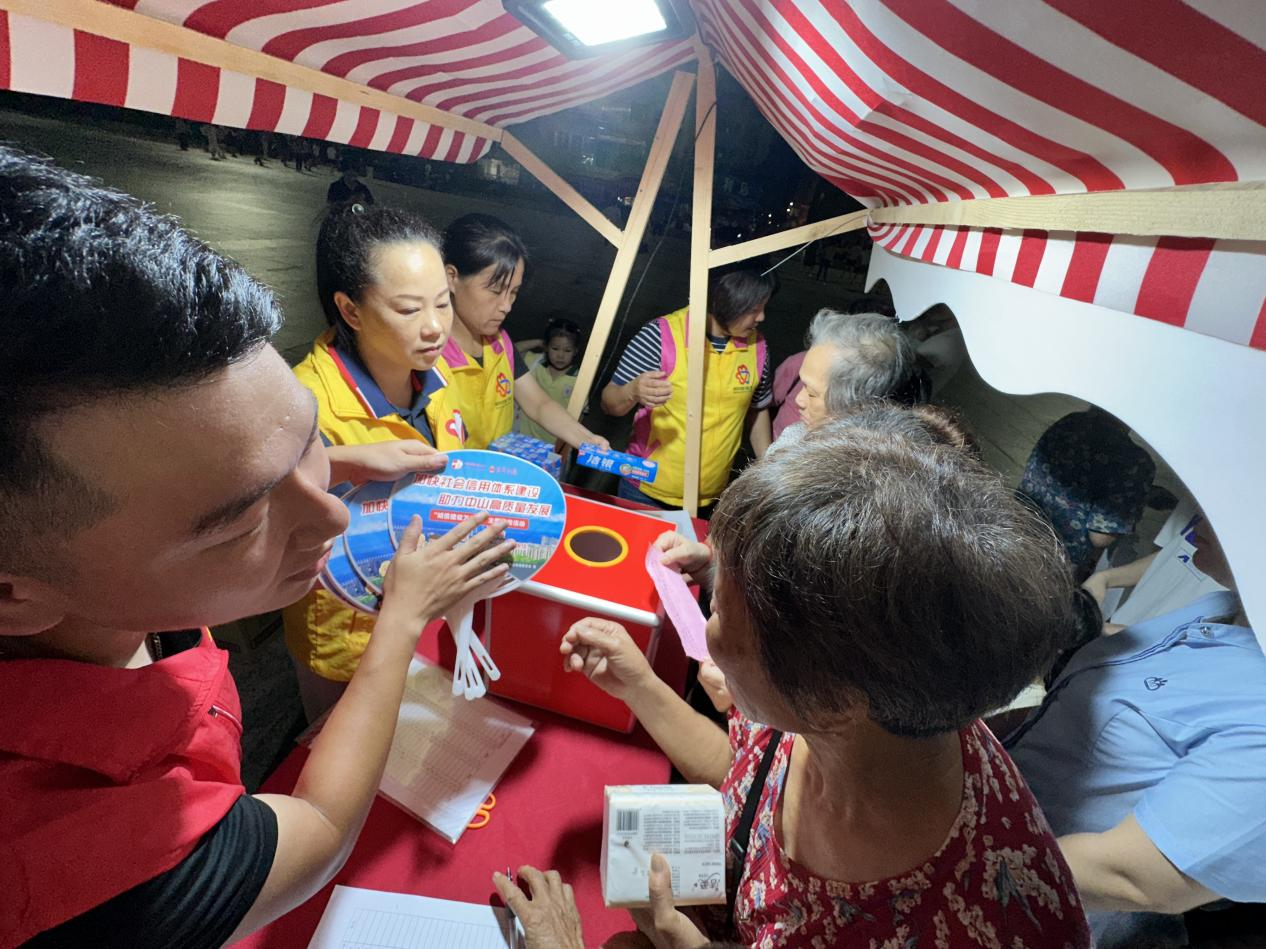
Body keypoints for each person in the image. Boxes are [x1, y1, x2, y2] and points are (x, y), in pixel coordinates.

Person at [0, 147, 514, 947]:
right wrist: (403, 615)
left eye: (308, 444)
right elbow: (317, 829)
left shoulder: (123, 571)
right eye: (241, 518)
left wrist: (343, 459)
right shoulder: (88, 861)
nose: (331, 518)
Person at [551, 411, 1091, 946]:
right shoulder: (854, 699)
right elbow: (743, 777)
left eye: (720, 615)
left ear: (833, 699)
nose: (705, 633)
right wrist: (641, 686)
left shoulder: (987, 923)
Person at [1006, 515, 1265, 948]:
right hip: (994, 813)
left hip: (1023, 905)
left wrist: (950, 853)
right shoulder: (1223, 607)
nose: (1198, 517)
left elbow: (1133, 878)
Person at [282, 205, 470, 719]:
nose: (435, 328)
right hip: (346, 635)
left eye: (443, 303)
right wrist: (342, 460)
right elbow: (255, 505)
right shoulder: (301, 401)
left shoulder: (441, 379)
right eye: (409, 310)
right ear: (351, 310)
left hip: (426, 609)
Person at [601, 268, 775, 512]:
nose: (761, 317)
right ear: (725, 301)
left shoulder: (758, 346)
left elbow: (757, 409)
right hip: (645, 490)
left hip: (713, 495)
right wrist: (632, 391)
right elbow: (609, 404)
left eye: (764, 307)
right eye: (753, 309)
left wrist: (770, 468)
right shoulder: (660, 335)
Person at [436, 213, 606, 451]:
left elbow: (538, 404)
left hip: (494, 470)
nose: (506, 306)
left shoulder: (500, 344)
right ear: (451, 277)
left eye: (514, 292)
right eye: (496, 290)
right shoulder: (427, 355)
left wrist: (586, 439)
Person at [1019, 406, 1157, 582]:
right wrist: (1134, 507)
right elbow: (1100, 537)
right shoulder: (1134, 462)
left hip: (1013, 529)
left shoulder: (1070, 421)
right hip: (1052, 563)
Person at [769, 308, 913, 450]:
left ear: (857, 407)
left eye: (812, 394)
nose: (798, 400)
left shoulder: (796, 449)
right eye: (802, 384)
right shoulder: (794, 435)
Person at [512, 316, 582, 443]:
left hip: (554, 445)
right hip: (522, 440)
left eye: (567, 350)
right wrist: (539, 342)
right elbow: (510, 350)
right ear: (547, 347)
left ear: (575, 351)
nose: (560, 355)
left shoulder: (579, 380)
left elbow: (579, 418)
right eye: (555, 348)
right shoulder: (534, 363)